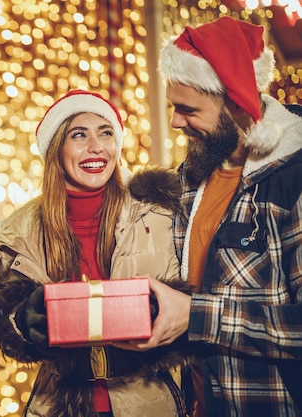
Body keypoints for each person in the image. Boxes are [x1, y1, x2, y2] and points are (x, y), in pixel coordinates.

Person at [125, 16, 302, 417]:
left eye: (188, 110)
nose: (174, 122)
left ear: (237, 103)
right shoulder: (191, 177)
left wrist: (197, 315)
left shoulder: (292, 178)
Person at [0, 89, 194, 417]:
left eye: (106, 133)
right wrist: (22, 321)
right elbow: (2, 315)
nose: (96, 146)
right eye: (79, 134)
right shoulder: (21, 227)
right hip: (59, 404)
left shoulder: (159, 213)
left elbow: (196, 300)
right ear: (58, 148)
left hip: (149, 402)